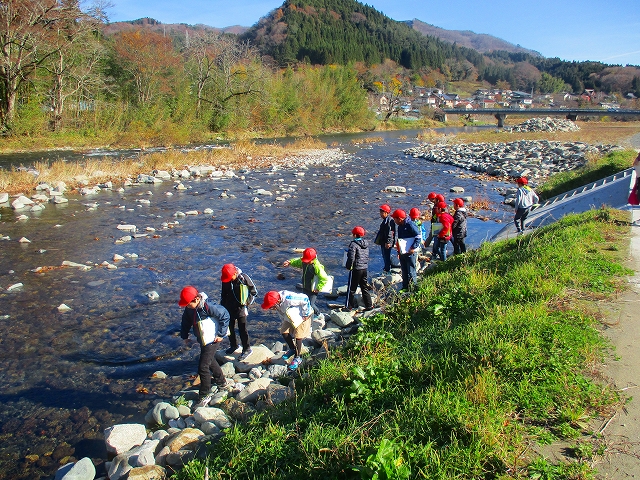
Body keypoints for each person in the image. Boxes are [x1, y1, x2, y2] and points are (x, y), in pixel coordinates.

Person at [179, 286, 231, 408]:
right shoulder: (189, 309)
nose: (186, 306)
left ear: (197, 299)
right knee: (210, 360)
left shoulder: (208, 307)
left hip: (213, 338)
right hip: (203, 338)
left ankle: (204, 394)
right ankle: (222, 382)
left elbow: (225, 315)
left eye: (188, 304)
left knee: (203, 367)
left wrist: (221, 334)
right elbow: (185, 321)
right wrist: (184, 336)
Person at [261, 290, 312, 371]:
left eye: (271, 306)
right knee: (284, 331)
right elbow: (281, 313)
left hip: (302, 316)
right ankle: (292, 349)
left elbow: (305, 298)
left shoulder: (289, 298)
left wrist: (306, 313)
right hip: (290, 317)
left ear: (277, 301)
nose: (270, 308)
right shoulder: (277, 301)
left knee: (298, 336)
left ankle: (297, 358)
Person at [220, 263, 257, 361]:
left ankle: (247, 349)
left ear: (235, 273)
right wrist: (222, 308)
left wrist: (247, 302)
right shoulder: (226, 280)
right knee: (230, 328)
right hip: (228, 308)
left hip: (241, 308)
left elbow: (253, 292)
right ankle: (234, 345)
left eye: (230, 278)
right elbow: (223, 294)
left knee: (242, 329)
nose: (229, 280)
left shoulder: (243, 279)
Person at [282, 248, 328, 316]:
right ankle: (308, 314)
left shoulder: (316, 266)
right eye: (305, 260)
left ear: (314, 259)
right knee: (305, 301)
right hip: (305, 286)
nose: (306, 262)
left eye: (308, 261)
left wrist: (318, 288)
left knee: (311, 304)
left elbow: (324, 278)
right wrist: (290, 262)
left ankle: (319, 315)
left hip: (313, 289)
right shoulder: (304, 261)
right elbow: (298, 261)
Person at [391, 209, 421, 291]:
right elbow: (400, 240)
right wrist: (398, 251)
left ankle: (414, 288)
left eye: (395, 219)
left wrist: (413, 248)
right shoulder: (400, 226)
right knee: (404, 270)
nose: (394, 221)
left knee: (411, 270)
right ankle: (405, 287)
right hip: (403, 252)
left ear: (400, 218)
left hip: (410, 252)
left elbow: (418, 237)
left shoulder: (410, 225)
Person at [344, 226, 373, 311]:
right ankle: (369, 305)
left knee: (351, 288)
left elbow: (351, 257)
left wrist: (348, 266)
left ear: (355, 235)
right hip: (364, 268)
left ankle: (349, 306)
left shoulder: (353, 244)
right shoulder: (366, 244)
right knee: (364, 287)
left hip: (356, 268)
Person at [374, 204, 395, 273]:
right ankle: (386, 267)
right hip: (384, 241)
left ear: (386, 213)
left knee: (386, 255)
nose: (380, 214)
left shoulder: (389, 221)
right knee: (384, 255)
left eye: (382, 213)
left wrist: (388, 242)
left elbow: (390, 232)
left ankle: (387, 269)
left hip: (386, 242)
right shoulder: (386, 220)